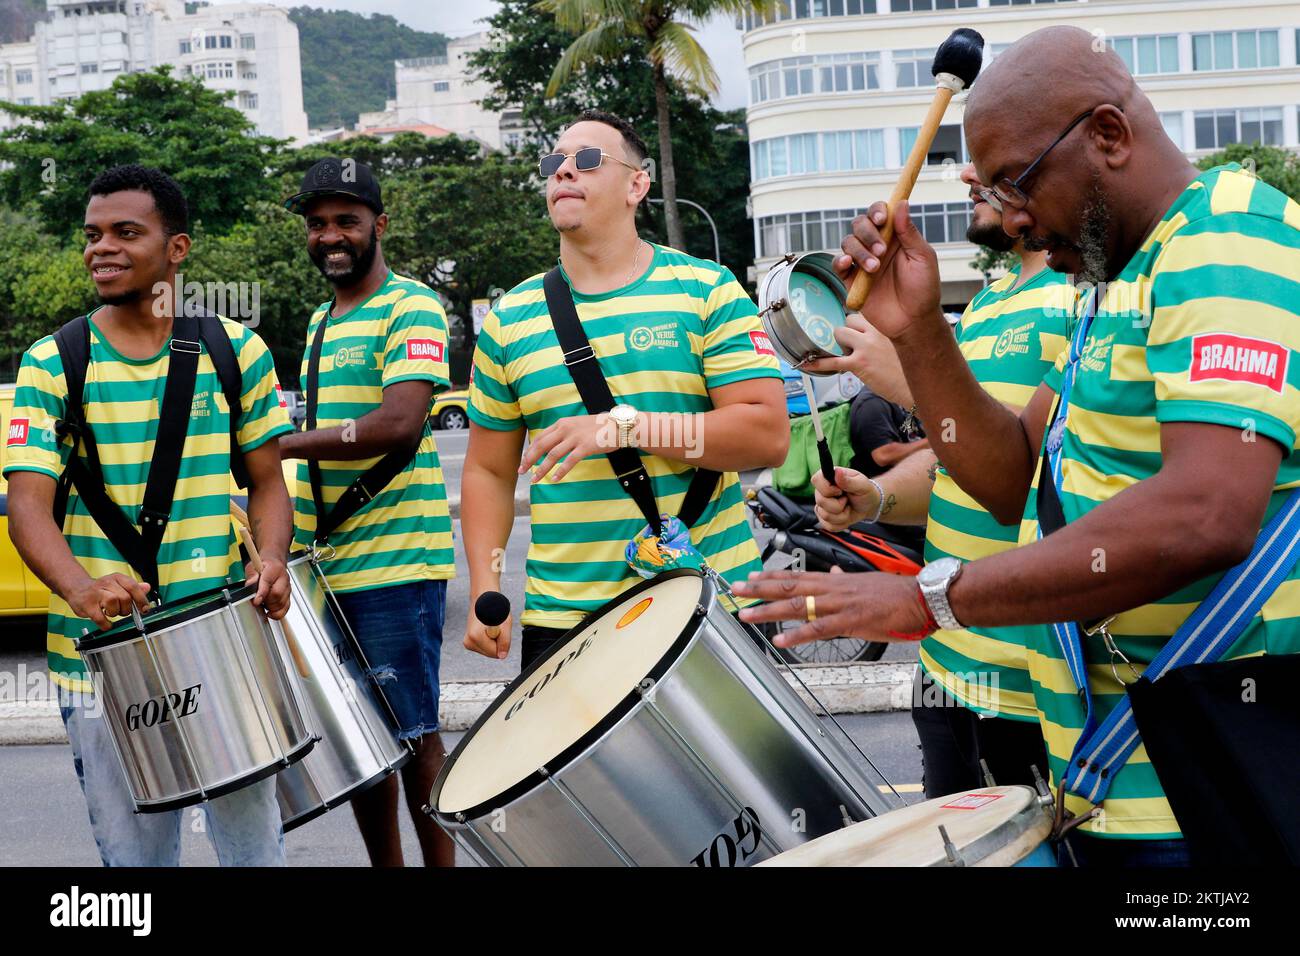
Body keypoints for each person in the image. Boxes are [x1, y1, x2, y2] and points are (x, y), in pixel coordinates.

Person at [733, 26, 1300, 867]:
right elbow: (1005, 478)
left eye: (1015, 182)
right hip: (1106, 780)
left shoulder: (1229, 238)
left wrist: (934, 597)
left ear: (1107, 135)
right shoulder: (1109, 284)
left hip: (1203, 790)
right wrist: (920, 328)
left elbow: (1205, 513)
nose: (1009, 216)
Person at [4, 165, 294, 866]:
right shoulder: (54, 364)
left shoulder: (235, 350)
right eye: (92, 234)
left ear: (177, 248)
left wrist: (276, 556)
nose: (101, 247)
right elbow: (27, 508)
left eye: (125, 232)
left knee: (253, 853)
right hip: (100, 665)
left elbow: (268, 484)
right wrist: (81, 589)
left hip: (223, 648)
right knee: (136, 869)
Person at [462, 109, 788, 669]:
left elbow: (765, 436)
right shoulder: (508, 320)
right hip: (565, 620)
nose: (563, 172)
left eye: (587, 160)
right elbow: (488, 470)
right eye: (554, 163)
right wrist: (483, 589)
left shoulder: (707, 290)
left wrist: (625, 427)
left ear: (638, 184)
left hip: (711, 600)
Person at [807, 163, 1075, 798]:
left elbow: (1023, 464)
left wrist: (906, 380)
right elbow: (957, 457)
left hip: (1028, 683)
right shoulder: (985, 303)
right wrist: (879, 496)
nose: (966, 173)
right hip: (944, 663)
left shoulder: (1080, 298)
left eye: (995, 161)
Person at [281, 159, 455, 867]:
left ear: (379, 226)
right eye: (318, 224)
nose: (330, 236)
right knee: (359, 740)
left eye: (346, 221)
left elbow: (399, 424)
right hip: (330, 565)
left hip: (399, 559)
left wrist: (282, 445)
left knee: (412, 732)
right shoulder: (323, 320)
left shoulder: (410, 306)